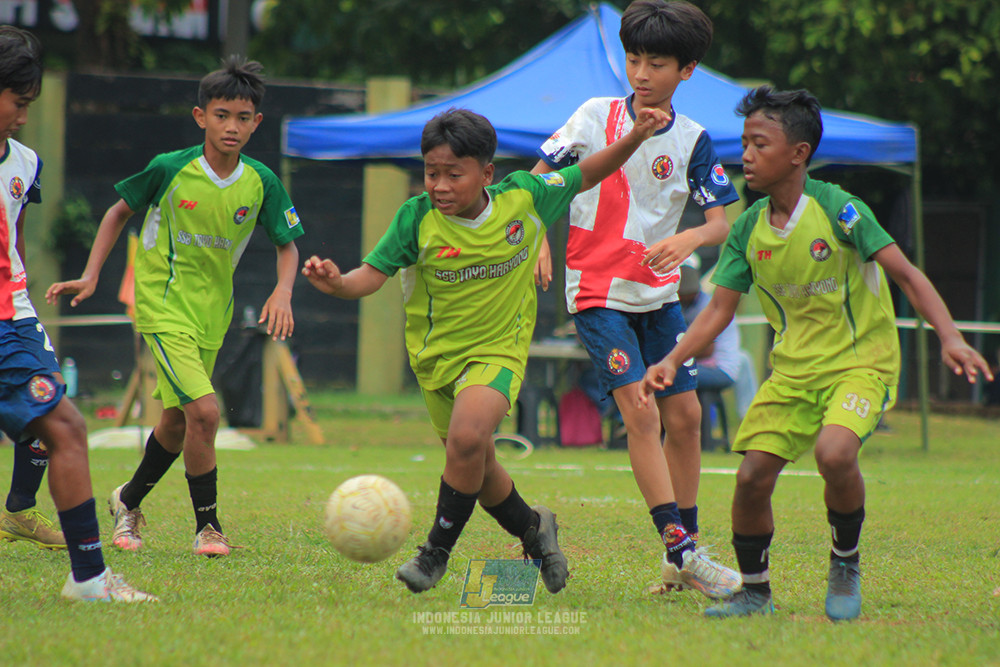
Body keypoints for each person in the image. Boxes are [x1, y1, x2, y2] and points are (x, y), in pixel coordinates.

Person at [641, 85, 994, 620]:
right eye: (744, 143)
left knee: (834, 453)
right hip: (793, 374)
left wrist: (948, 334)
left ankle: (844, 562)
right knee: (751, 477)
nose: (747, 156)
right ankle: (755, 593)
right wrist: (673, 357)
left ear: (798, 154)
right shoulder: (747, 230)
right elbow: (718, 311)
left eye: (760, 144)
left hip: (861, 365)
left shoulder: (840, 209)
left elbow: (906, 273)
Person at [302, 106, 669, 594]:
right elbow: (369, 277)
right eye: (432, 173)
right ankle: (535, 531)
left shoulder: (525, 198)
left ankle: (435, 553)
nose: (440, 185)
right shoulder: (415, 219)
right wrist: (338, 284)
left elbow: (586, 171)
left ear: (486, 173)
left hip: (499, 350)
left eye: (454, 174)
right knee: (478, 464)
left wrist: (637, 137)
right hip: (436, 362)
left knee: (469, 439)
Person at [46, 56, 303, 558]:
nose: (232, 126)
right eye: (222, 114)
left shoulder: (261, 182)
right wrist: (93, 273)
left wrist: (284, 290)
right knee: (205, 413)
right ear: (200, 116)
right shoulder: (170, 168)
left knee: (177, 420)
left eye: (243, 117)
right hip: (163, 307)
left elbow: (288, 243)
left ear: (257, 123)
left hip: (214, 313)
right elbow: (119, 210)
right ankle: (208, 526)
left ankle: (128, 499)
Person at [532, 0, 741, 598]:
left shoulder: (695, 139)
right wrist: (541, 243)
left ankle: (682, 558)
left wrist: (691, 237)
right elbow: (542, 179)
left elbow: (720, 224)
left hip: (660, 299)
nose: (642, 72)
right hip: (598, 294)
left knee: (687, 416)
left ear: (688, 69)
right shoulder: (594, 117)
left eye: (657, 62)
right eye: (634, 58)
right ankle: (683, 549)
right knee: (641, 413)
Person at [0, 25, 154, 601]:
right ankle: (89, 581)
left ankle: (87, 577)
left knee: (64, 428)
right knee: (66, 430)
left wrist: (21, 297)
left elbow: (12, 237)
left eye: (29, 105)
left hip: (10, 320)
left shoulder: (24, 163)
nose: (22, 116)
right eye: (17, 102)